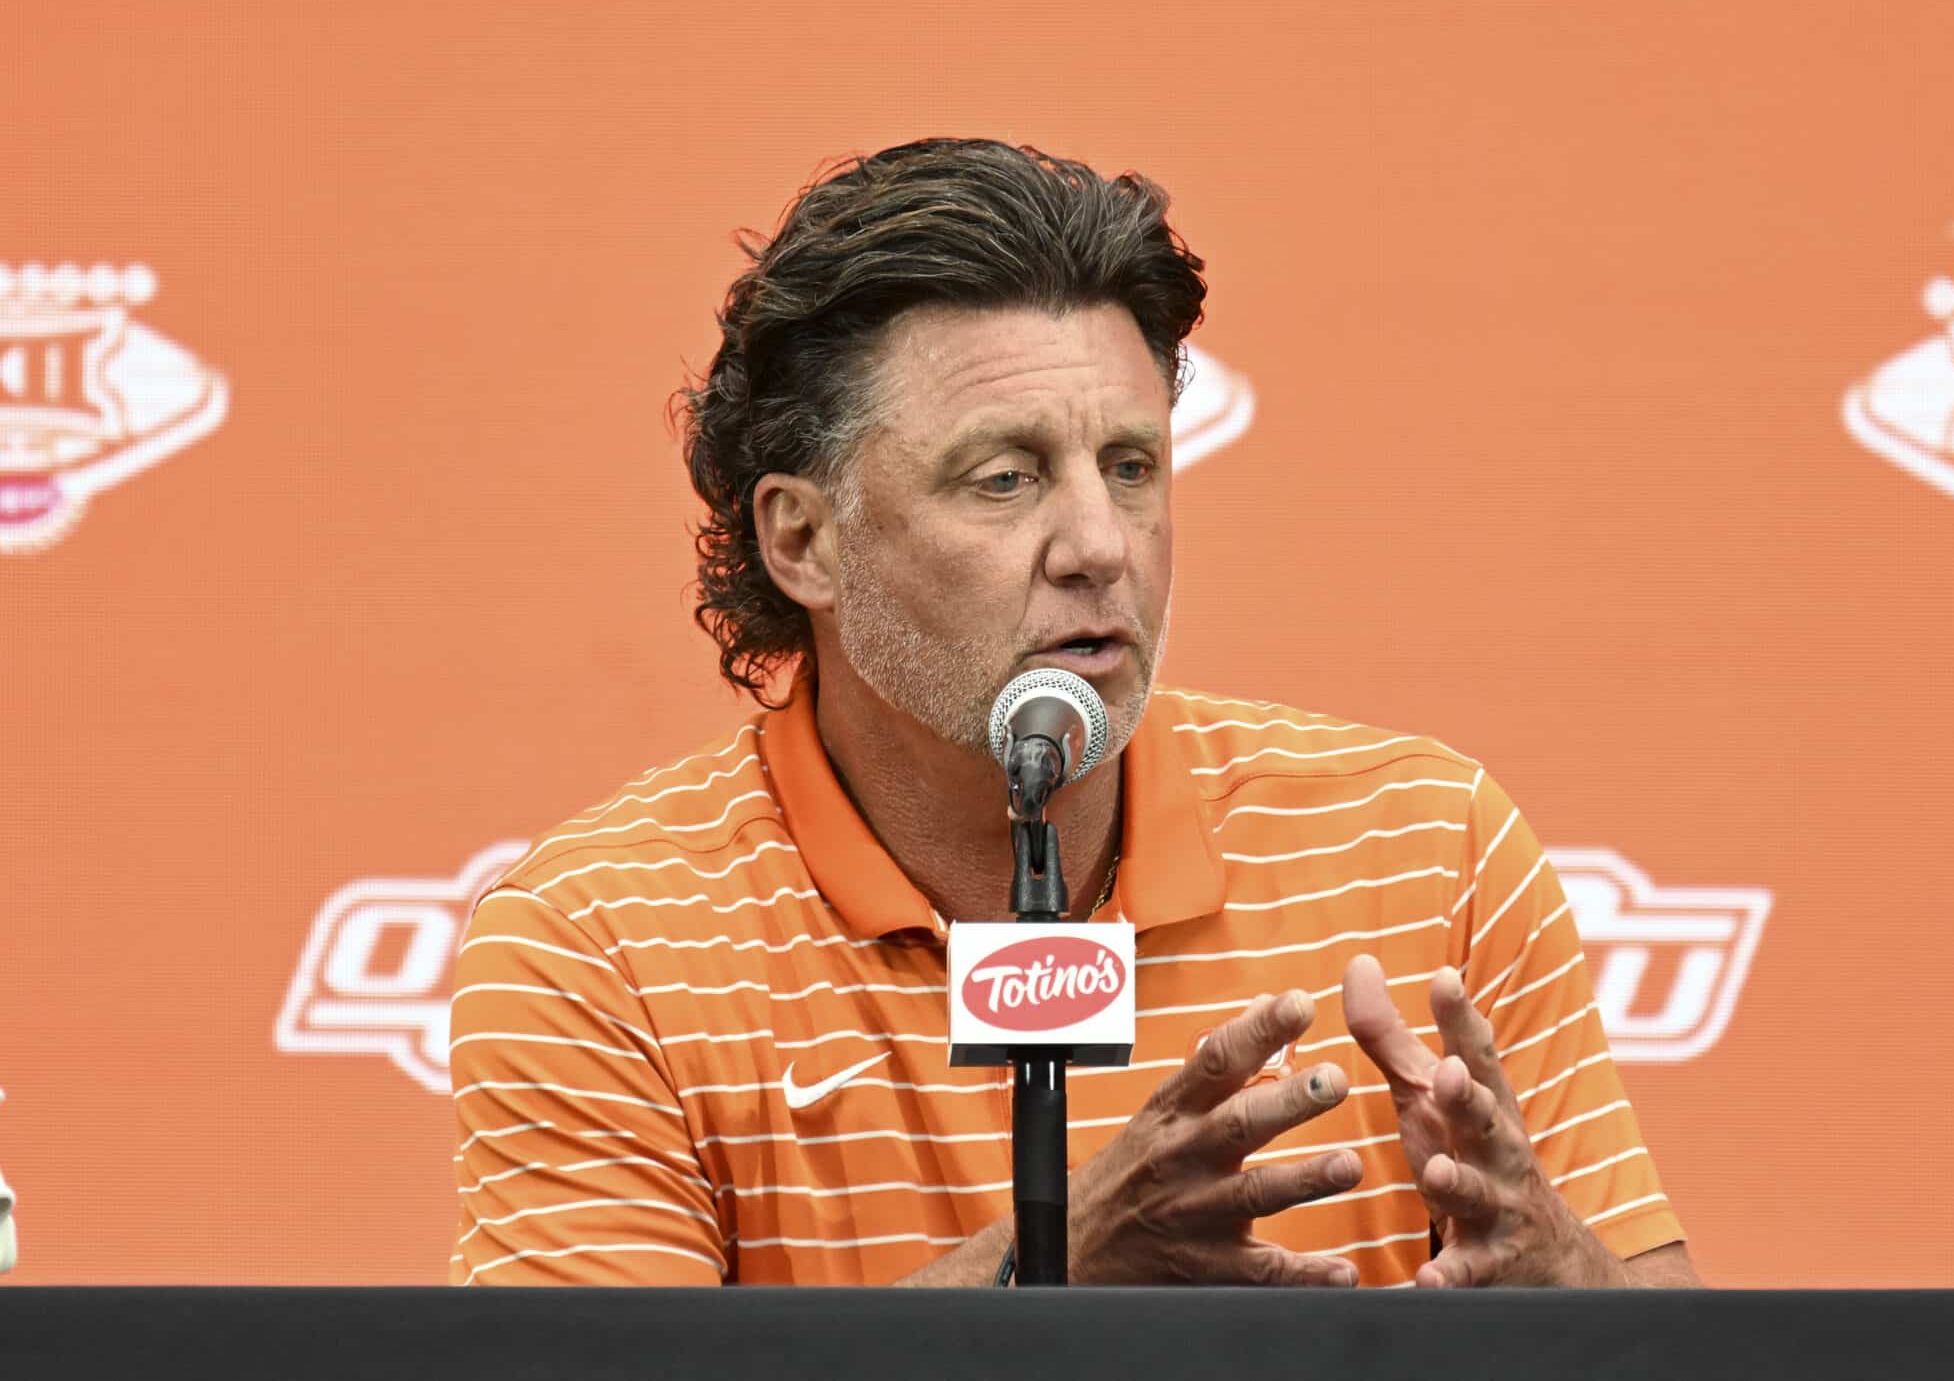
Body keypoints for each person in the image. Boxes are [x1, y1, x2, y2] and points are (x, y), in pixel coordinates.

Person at [449, 140, 1699, 1288]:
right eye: (1004, 480)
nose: (1100, 546)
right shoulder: (596, 947)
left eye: (1132, 466)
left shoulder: (1426, 847)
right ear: (804, 539)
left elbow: (1666, 1334)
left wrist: (1563, 1289)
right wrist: (1048, 1274)